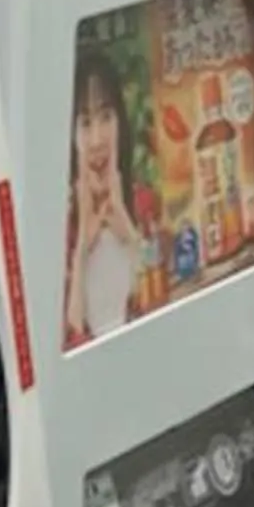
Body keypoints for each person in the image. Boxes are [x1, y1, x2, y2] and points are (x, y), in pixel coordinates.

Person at [66, 44, 144, 349]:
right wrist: (81, 250)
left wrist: (128, 234)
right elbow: (67, 340)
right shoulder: (57, 228)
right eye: (85, 123)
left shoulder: (146, 202)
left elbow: (161, 305)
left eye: (106, 116)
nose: (97, 140)